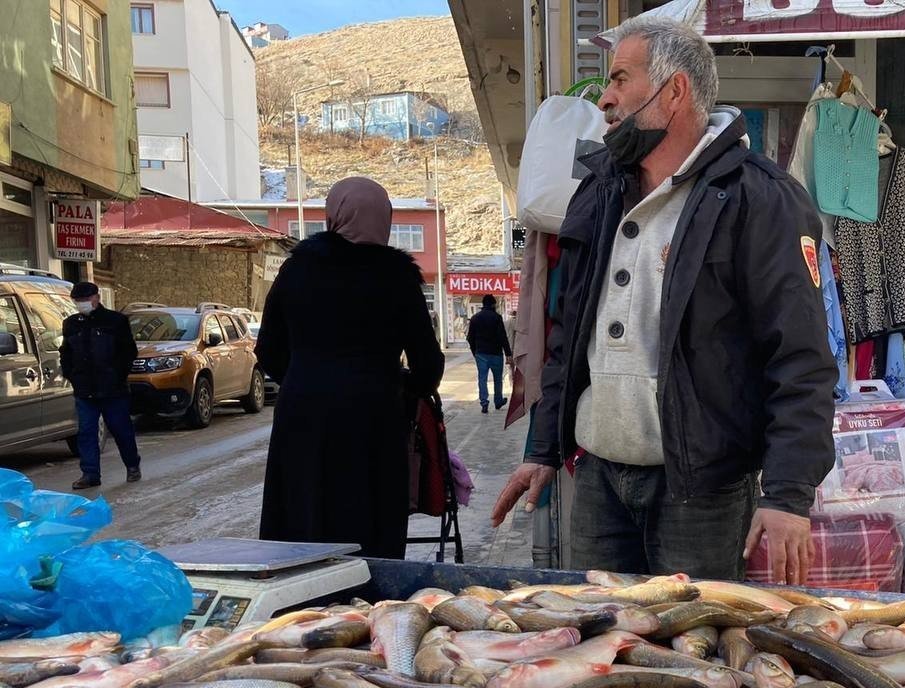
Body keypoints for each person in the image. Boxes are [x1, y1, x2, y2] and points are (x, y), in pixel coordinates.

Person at [491, 19, 836, 585]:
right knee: (601, 641)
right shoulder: (598, 189)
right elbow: (567, 333)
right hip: (599, 478)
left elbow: (800, 357)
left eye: (620, 79)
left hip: (702, 491)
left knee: (689, 656)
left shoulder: (760, 198)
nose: (605, 98)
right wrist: (543, 447)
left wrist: (789, 492)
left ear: (674, 91)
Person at [255, 176, 445, 559]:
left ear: (333, 215)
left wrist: (304, 378)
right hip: (373, 414)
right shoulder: (398, 278)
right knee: (370, 514)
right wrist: (404, 386)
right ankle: (368, 606)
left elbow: (269, 349)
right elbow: (428, 362)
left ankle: (303, 604)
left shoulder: (296, 271)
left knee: (304, 506)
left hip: (304, 413)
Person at [59, 281, 142, 489]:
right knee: (86, 432)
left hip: (113, 389)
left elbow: (128, 352)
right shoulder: (71, 324)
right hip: (84, 389)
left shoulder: (115, 321)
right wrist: (72, 375)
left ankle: (132, 465)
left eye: (85, 300)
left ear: (96, 297)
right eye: (78, 301)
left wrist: (117, 375)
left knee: (121, 429)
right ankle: (90, 474)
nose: (82, 304)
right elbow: (66, 352)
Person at [465, 293, 513, 413]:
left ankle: (484, 403)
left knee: (482, 379)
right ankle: (498, 401)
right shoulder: (497, 317)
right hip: (496, 353)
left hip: (481, 354)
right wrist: (508, 353)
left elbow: (470, 337)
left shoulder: (475, 318)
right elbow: (503, 336)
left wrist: (474, 351)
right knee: (498, 379)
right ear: (493, 304)